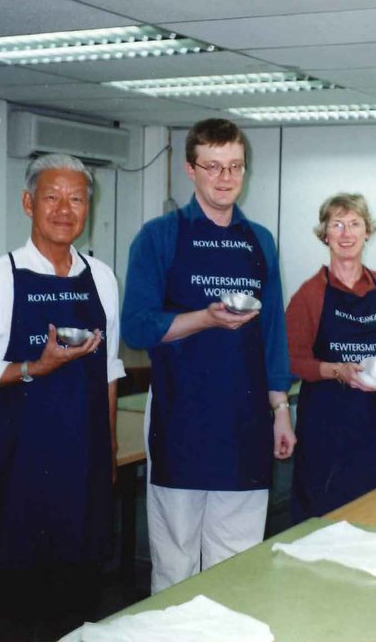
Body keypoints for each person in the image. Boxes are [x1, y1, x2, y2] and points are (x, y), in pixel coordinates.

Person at [0, 153, 124, 640]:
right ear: (29, 203)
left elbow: (109, 367)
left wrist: (109, 448)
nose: (64, 209)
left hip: (85, 461)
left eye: (76, 198)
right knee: (21, 603)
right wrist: (33, 367)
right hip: (20, 463)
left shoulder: (102, 277)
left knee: (81, 596)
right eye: (52, 197)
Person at [121, 118, 295, 593]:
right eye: (213, 166)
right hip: (181, 418)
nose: (225, 177)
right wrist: (204, 317)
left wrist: (281, 409)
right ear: (190, 169)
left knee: (238, 564)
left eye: (234, 166)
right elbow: (136, 326)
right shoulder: (160, 236)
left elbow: (273, 331)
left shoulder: (259, 240)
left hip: (244, 422)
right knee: (176, 561)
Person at [286, 193, 376, 521]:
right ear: (325, 234)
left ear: (367, 231)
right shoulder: (309, 294)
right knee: (324, 525)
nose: (346, 233)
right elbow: (292, 359)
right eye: (337, 225)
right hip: (328, 430)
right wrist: (336, 370)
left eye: (355, 224)